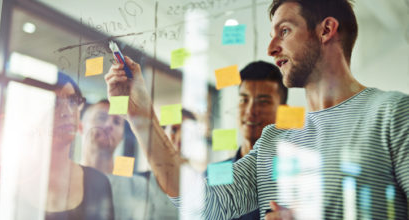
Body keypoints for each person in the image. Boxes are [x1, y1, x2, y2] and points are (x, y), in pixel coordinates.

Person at [104, 0, 409, 219]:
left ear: (326, 29)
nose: (271, 47)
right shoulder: (273, 141)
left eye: (285, 31)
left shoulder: (393, 114)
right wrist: (140, 114)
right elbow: (205, 205)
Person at [80, 100, 178, 220]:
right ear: (80, 127)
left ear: (122, 136)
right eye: (101, 118)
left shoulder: (138, 186)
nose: (109, 125)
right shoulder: (67, 181)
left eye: (116, 122)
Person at [224, 61, 287, 220]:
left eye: (263, 101)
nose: (251, 111)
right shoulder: (213, 175)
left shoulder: (297, 175)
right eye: (244, 100)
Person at [46, 72, 114, 220]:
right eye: (56, 101)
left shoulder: (98, 182)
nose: (67, 112)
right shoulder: (10, 178)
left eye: (72, 101)